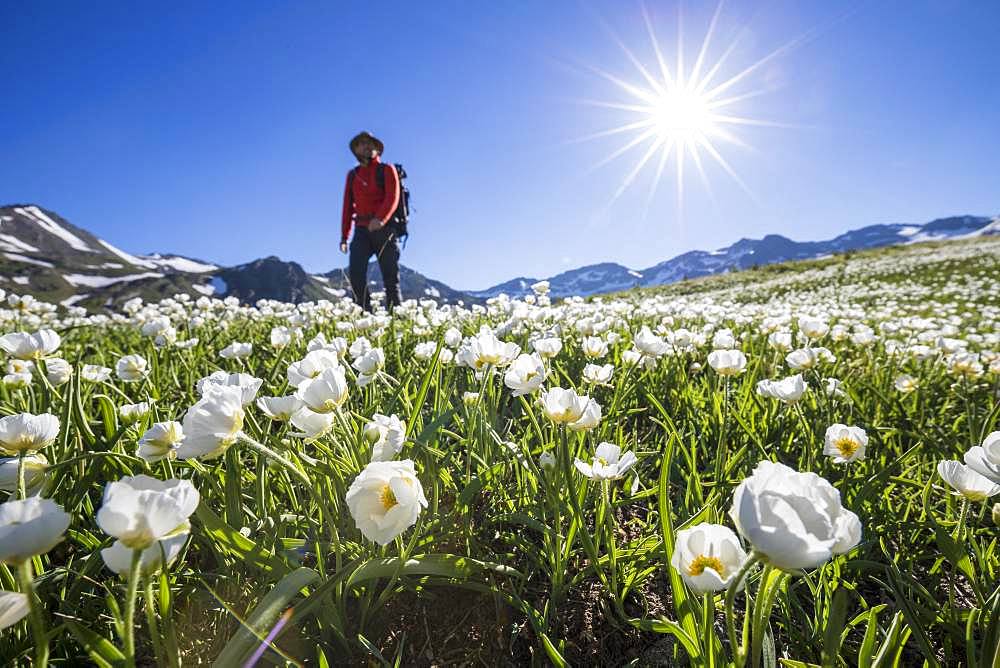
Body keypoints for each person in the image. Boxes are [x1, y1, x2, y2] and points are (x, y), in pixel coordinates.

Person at [340, 131, 402, 312]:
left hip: (385, 229)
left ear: (377, 149)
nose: (366, 146)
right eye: (361, 144)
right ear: (356, 150)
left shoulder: (387, 169)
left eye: (370, 144)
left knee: (390, 277)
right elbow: (347, 208)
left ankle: (395, 319)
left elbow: (393, 197)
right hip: (361, 230)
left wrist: (381, 219)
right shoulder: (353, 176)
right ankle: (365, 316)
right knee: (356, 274)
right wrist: (344, 237)